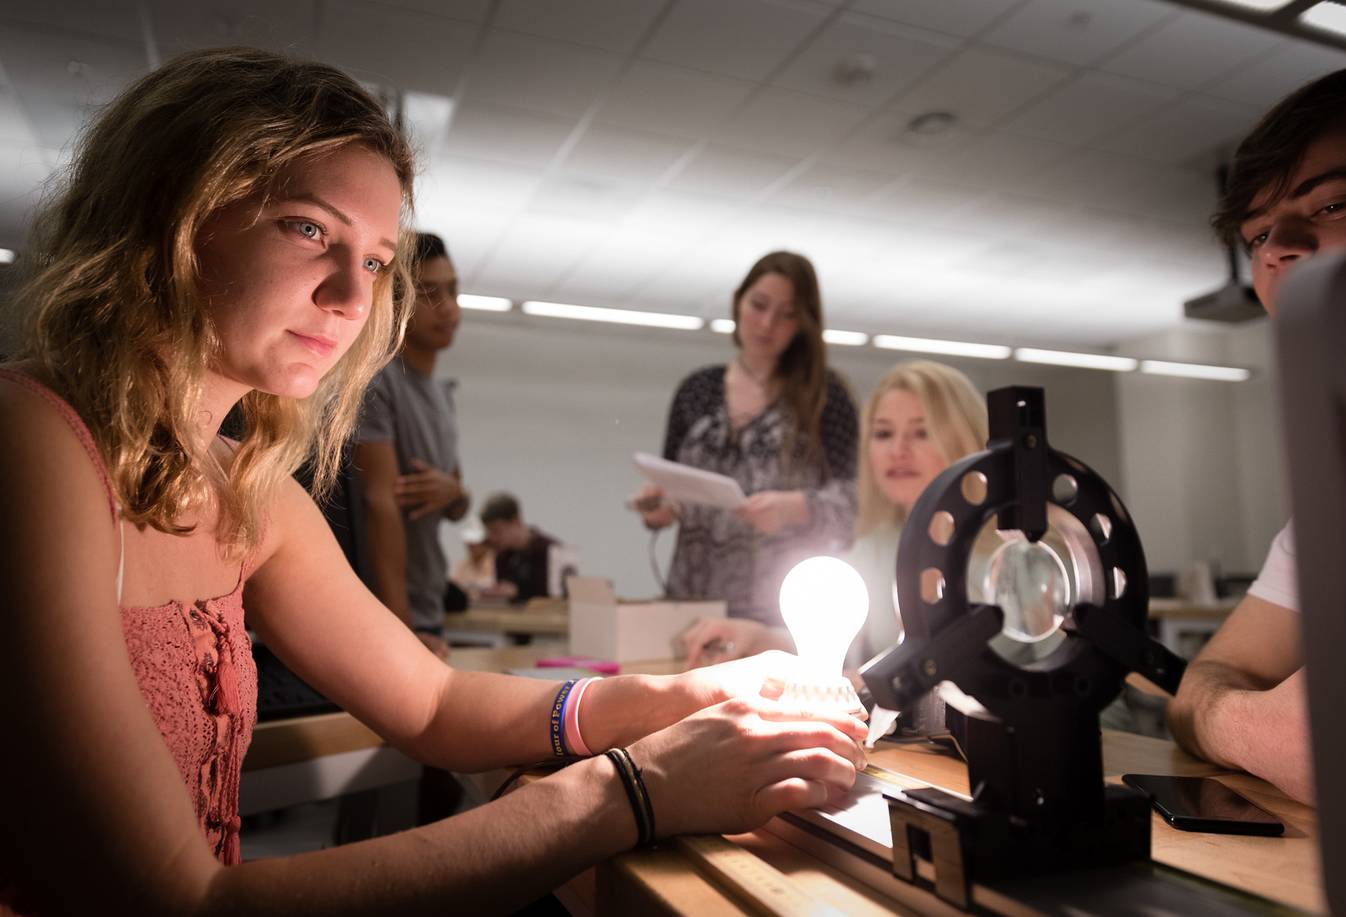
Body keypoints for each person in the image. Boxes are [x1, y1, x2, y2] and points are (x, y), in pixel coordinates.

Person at [0, 48, 867, 915]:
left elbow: (435, 701)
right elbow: (179, 900)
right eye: (308, 229)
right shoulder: (33, 438)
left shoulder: (249, 491)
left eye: (376, 261)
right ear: (176, 213)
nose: (350, 294)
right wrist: (636, 789)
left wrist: (677, 696)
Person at [1167, 64, 1346, 806]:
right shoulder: (1340, 505)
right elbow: (1199, 688)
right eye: (1257, 235)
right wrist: (1258, 728)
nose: (1280, 246)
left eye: (1333, 202)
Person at [677, 361, 986, 669]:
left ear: (961, 437)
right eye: (883, 433)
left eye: (921, 432)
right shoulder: (874, 548)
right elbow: (829, 635)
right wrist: (757, 637)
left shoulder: (1010, 545)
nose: (897, 450)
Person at [637, 251, 859, 625]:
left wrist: (797, 508)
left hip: (778, 611)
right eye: (758, 305)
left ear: (803, 324)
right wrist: (658, 508)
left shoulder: (825, 397)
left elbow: (854, 509)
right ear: (738, 302)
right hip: (691, 603)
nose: (767, 323)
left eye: (787, 314)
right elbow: (673, 488)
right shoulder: (696, 390)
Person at [354, 231, 467, 659]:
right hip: (388, 612)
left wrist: (455, 493)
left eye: (453, 290)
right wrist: (398, 626)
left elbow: (456, 501)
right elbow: (380, 504)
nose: (449, 308)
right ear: (397, 301)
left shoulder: (442, 394)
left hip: (428, 600)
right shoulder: (377, 385)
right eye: (429, 293)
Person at [480, 491, 562, 604]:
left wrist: (517, 592)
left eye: (496, 530)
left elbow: (559, 597)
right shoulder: (502, 556)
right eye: (489, 532)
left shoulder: (552, 550)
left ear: (515, 522)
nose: (493, 538)